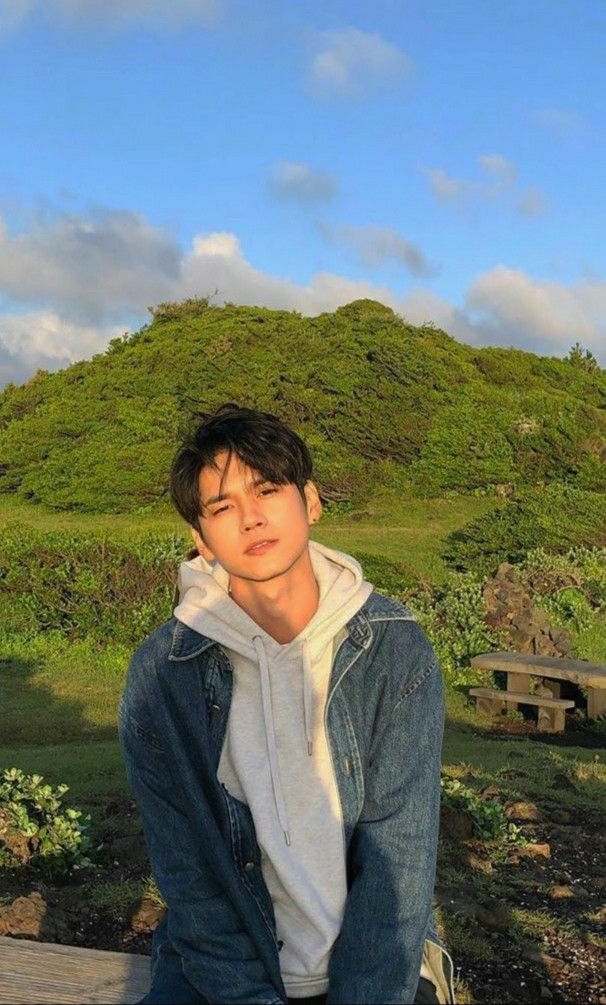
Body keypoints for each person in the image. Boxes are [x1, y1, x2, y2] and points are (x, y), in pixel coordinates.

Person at [118, 402, 454, 1005]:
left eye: (268, 490)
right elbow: (187, 873)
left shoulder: (393, 649)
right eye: (222, 507)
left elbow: (397, 862)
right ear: (201, 539)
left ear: (311, 501)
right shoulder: (162, 675)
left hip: (371, 962)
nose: (250, 519)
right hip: (224, 965)